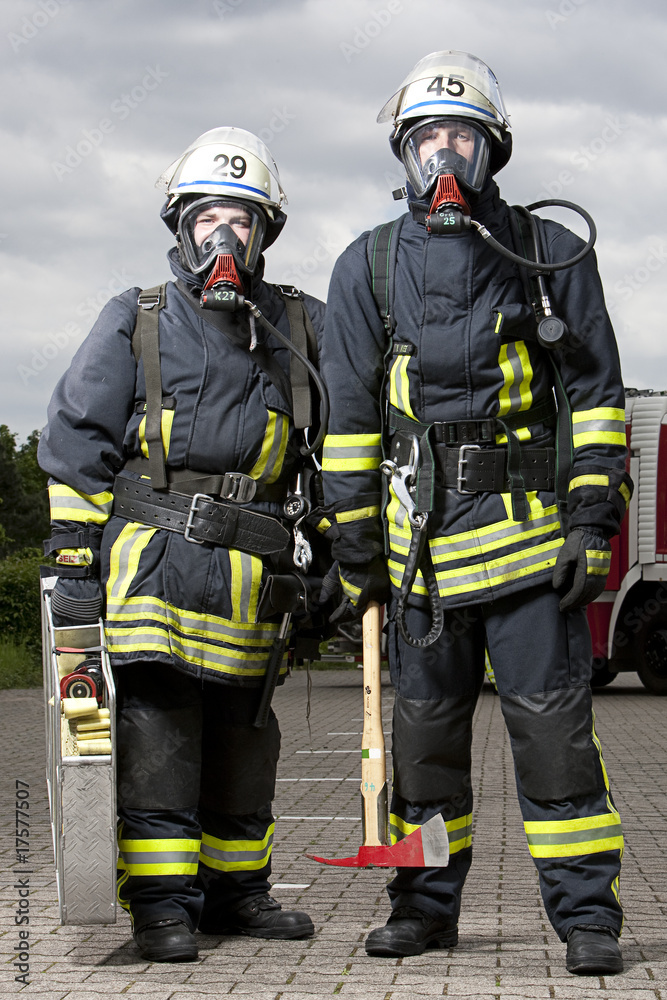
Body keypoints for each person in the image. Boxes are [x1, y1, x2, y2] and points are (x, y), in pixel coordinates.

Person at [320, 52, 631, 975]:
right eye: (427, 139)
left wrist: (591, 522)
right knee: (423, 750)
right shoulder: (367, 266)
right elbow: (349, 417)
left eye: (461, 137)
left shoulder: (548, 253)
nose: (443, 155)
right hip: (420, 558)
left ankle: (587, 919)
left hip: (532, 549)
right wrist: (354, 545)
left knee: (554, 740)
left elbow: (595, 398)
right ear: (404, 153)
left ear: (492, 150)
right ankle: (422, 909)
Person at [38, 127, 325, 962]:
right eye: (206, 219)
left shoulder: (299, 324)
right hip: (152, 567)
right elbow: (77, 444)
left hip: (253, 578)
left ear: (264, 232)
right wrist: (72, 563)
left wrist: (341, 557)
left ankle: (238, 895)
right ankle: (162, 907)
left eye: (240, 219)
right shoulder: (137, 318)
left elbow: (337, 446)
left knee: (245, 739)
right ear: (180, 227)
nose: (222, 236)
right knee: (158, 738)